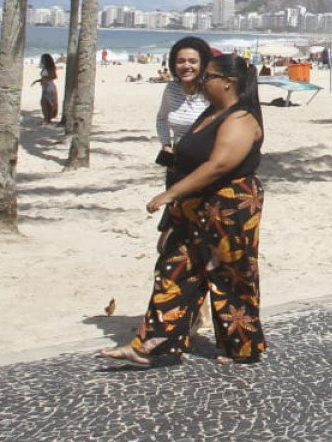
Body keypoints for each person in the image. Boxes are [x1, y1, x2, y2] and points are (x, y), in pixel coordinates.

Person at [102, 53, 265, 367]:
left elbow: (220, 164)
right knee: (174, 271)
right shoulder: (212, 112)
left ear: (228, 83)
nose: (202, 82)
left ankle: (242, 348)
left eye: (208, 77)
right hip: (192, 207)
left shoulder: (241, 118)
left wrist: (170, 193)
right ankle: (153, 345)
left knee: (231, 275)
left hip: (228, 206)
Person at [155, 36, 216, 170]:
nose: (186, 66)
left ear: (203, 64)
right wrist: (166, 145)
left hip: (207, 165)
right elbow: (162, 119)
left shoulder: (212, 92)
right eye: (180, 61)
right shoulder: (172, 89)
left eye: (193, 61)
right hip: (177, 163)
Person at [34, 52, 60, 124]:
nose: (41, 60)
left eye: (43, 59)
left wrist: (45, 81)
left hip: (48, 86)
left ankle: (47, 119)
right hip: (45, 86)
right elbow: (44, 77)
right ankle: (47, 119)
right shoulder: (45, 67)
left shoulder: (50, 68)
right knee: (45, 103)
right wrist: (37, 81)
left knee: (46, 103)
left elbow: (54, 76)